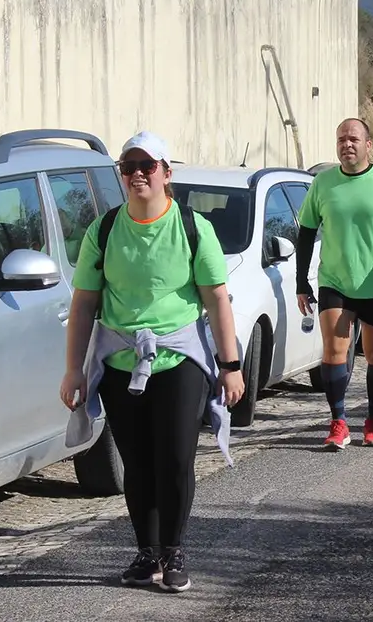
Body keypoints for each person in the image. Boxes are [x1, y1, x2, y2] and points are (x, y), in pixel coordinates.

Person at [59, 131, 245, 593]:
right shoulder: (103, 230)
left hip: (179, 358)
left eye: (147, 166)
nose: (138, 174)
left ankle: (174, 550)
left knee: (176, 458)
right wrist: (74, 369)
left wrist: (231, 363)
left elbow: (217, 298)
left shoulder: (192, 227)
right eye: (129, 167)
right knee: (137, 464)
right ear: (121, 175)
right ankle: (147, 553)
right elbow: (83, 304)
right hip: (121, 361)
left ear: (167, 173)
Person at [295, 118, 373, 449]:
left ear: (368, 145)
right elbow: (306, 232)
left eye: (353, 139)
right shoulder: (323, 183)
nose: (346, 144)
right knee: (334, 350)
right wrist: (301, 282)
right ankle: (338, 423)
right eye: (341, 139)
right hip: (335, 281)